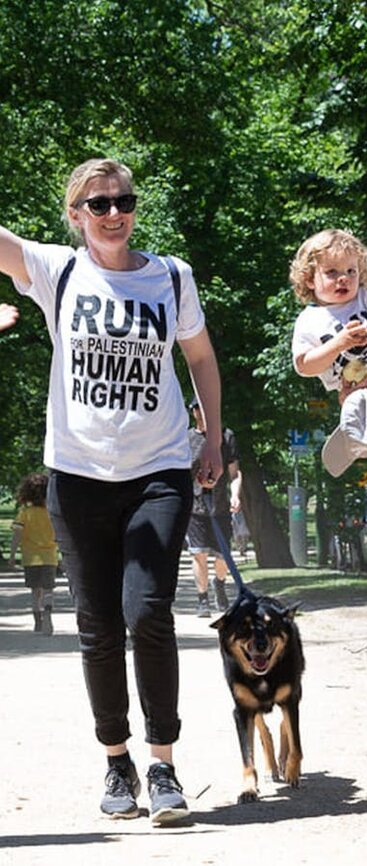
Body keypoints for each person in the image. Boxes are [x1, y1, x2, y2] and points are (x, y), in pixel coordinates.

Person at [0, 157, 222, 825]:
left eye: (122, 199)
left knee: (147, 609)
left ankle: (163, 765)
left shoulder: (170, 276)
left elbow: (202, 358)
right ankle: (117, 761)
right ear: (76, 215)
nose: (113, 211)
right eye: (98, 203)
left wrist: (212, 438)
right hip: (76, 475)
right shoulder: (55, 269)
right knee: (97, 625)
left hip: (158, 470)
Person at [291, 228, 367, 435]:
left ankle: (362, 422)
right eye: (332, 272)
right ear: (309, 280)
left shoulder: (366, 297)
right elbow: (305, 366)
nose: (344, 278)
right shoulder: (309, 320)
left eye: (351, 271)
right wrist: (339, 343)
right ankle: (360, 417)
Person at [186, 396, 242, 617]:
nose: (202, 412)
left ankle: (219, 584)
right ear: (193, 412)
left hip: (219, 507)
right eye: (198, 408)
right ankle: (203, 599)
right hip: (195, 506)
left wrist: (235, 495)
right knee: (198, 554)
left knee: (222, 556)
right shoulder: (186, 438)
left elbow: (234, 472)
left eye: (206, 408)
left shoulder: (226, 437)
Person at [8, 472, 58, 635]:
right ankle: (48, 612)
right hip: (50, 557)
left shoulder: (25, 513)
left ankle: (38, 622)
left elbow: (17, 535)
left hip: (31, 559)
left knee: (35, 592)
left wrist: (12, 555)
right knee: (48, 590)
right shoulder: (52, 513)